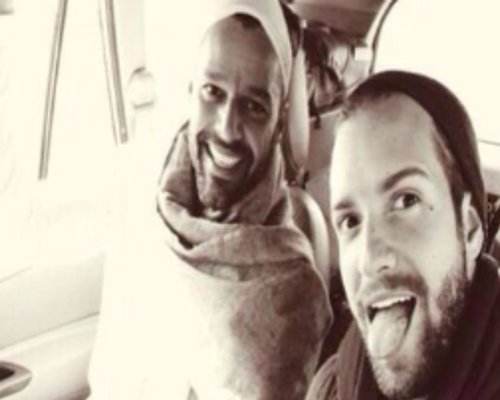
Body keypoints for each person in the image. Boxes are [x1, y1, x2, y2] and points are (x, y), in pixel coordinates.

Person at [89, 1, 332, 399]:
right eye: (212, 92)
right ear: (190, 91)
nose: (228, 128)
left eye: (254, 106)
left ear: (278, 122)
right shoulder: (137, 197)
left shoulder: (293, 290)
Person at [306, 71, 500, 400]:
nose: (369, 259)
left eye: (406, 200)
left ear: (468, 229)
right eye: (351, 221)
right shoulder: (331, 388)